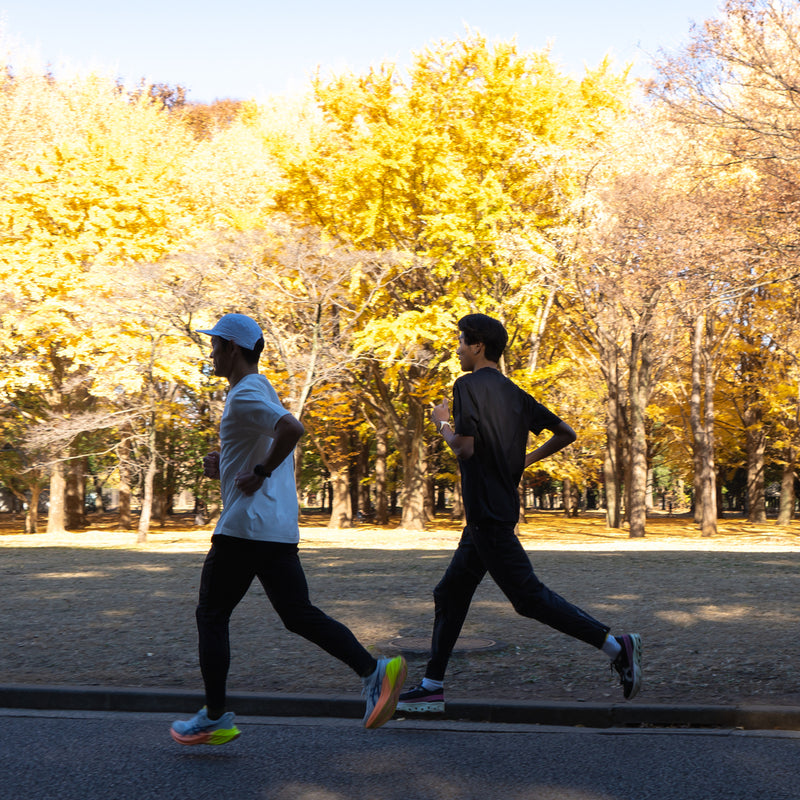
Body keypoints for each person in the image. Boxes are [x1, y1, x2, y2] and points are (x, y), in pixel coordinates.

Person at [171, 313, 406, 745]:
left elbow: (291, 430)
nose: (211, 353)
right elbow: (268, 442)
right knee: (298, 615)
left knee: (212, 614)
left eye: (215, 345)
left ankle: (216, 715)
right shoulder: (257, 391)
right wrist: (224, 466)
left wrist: (258, 470)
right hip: (274, 530)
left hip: (243, 529)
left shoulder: (246, 394)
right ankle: (375, 672)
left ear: (233, 349)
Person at [396, 313, 641, 715]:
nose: (456, 350)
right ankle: (431, 687)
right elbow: (566, 433)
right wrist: (525, 459)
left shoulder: (466, 385)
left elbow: (464, 448)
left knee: (528, 599)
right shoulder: (515, 394)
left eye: (460, 342)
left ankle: (617, 647)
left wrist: (442, 423)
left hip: (488, 515)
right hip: (490, 514)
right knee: (449, 593)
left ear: (477, 346)